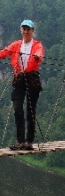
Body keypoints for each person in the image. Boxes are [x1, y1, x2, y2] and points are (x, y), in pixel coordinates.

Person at [0, 20, 44, 150]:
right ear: (21, 30)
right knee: (17, 108)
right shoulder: (16, 45)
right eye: (24, 29)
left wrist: (36, 57)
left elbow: (39, 54)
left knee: (31, 110)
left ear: (32, 31)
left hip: (32, 78)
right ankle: (21, 141)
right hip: (19, 78)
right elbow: (3, 53)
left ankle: (29, 141)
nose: (26, 31)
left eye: (28, 29)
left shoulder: (37, 45)